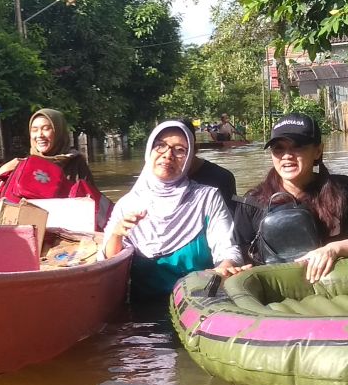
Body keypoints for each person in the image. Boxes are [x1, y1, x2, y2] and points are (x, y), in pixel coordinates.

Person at [233, 113, 348, 283]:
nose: (287, 155)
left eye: (298, 146)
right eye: (278, 148)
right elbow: (237, 256)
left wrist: (333, 249)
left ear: (318, 151)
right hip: (278, 292)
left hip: (333, 286)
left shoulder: (344, 189)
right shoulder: (252, 201)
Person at [102, 119, 246, 301]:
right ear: (149, 151)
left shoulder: (207, 198)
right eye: (160, 146)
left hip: (199, 303)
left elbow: (227, 249)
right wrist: (117, 234)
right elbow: (110, 263)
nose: (167, 155)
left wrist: (225, 267)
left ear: (189, 158)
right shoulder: (128, 204)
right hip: (144, 312)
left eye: (179, 150)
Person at [0, 108, 109, 228]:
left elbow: (91, 202)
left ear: (58, 132)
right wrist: (3, 172)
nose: (39, 135)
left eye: (46, 129)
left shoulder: (75, 162)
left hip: (67, 228)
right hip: (31, 228)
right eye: (34, 130)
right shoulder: (22, 166)